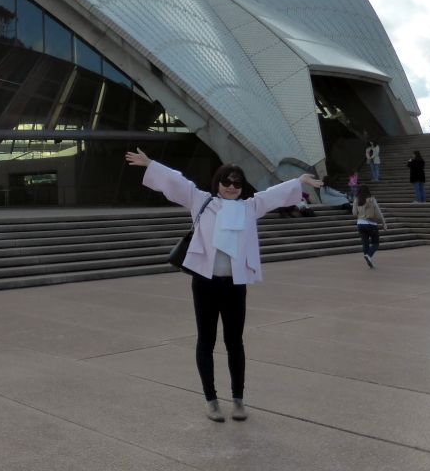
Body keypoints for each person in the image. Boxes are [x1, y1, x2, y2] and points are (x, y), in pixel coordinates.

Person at [125, 147, 322, 423]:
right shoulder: (202, 201)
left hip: (234, 285)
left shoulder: (249, 207)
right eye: (226, 182)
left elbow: (271, 196)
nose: (231, 187)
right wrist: (151, 164)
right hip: (204, 283)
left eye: (237, 183)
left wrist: (299, 182)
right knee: (206, 341)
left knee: (234, 342)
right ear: (217, 182)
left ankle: (238, 400)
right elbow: (178, 182)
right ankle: (211, 400)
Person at [352, 185, 387, 268]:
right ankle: (369, 255)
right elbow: (378, 212)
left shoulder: (356, 200)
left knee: (365, 243)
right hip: (371, 224)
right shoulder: (372, 199)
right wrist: (383, 223)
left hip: (360, 223)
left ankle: (368, 257)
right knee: (375, 243)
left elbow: (354, 213)